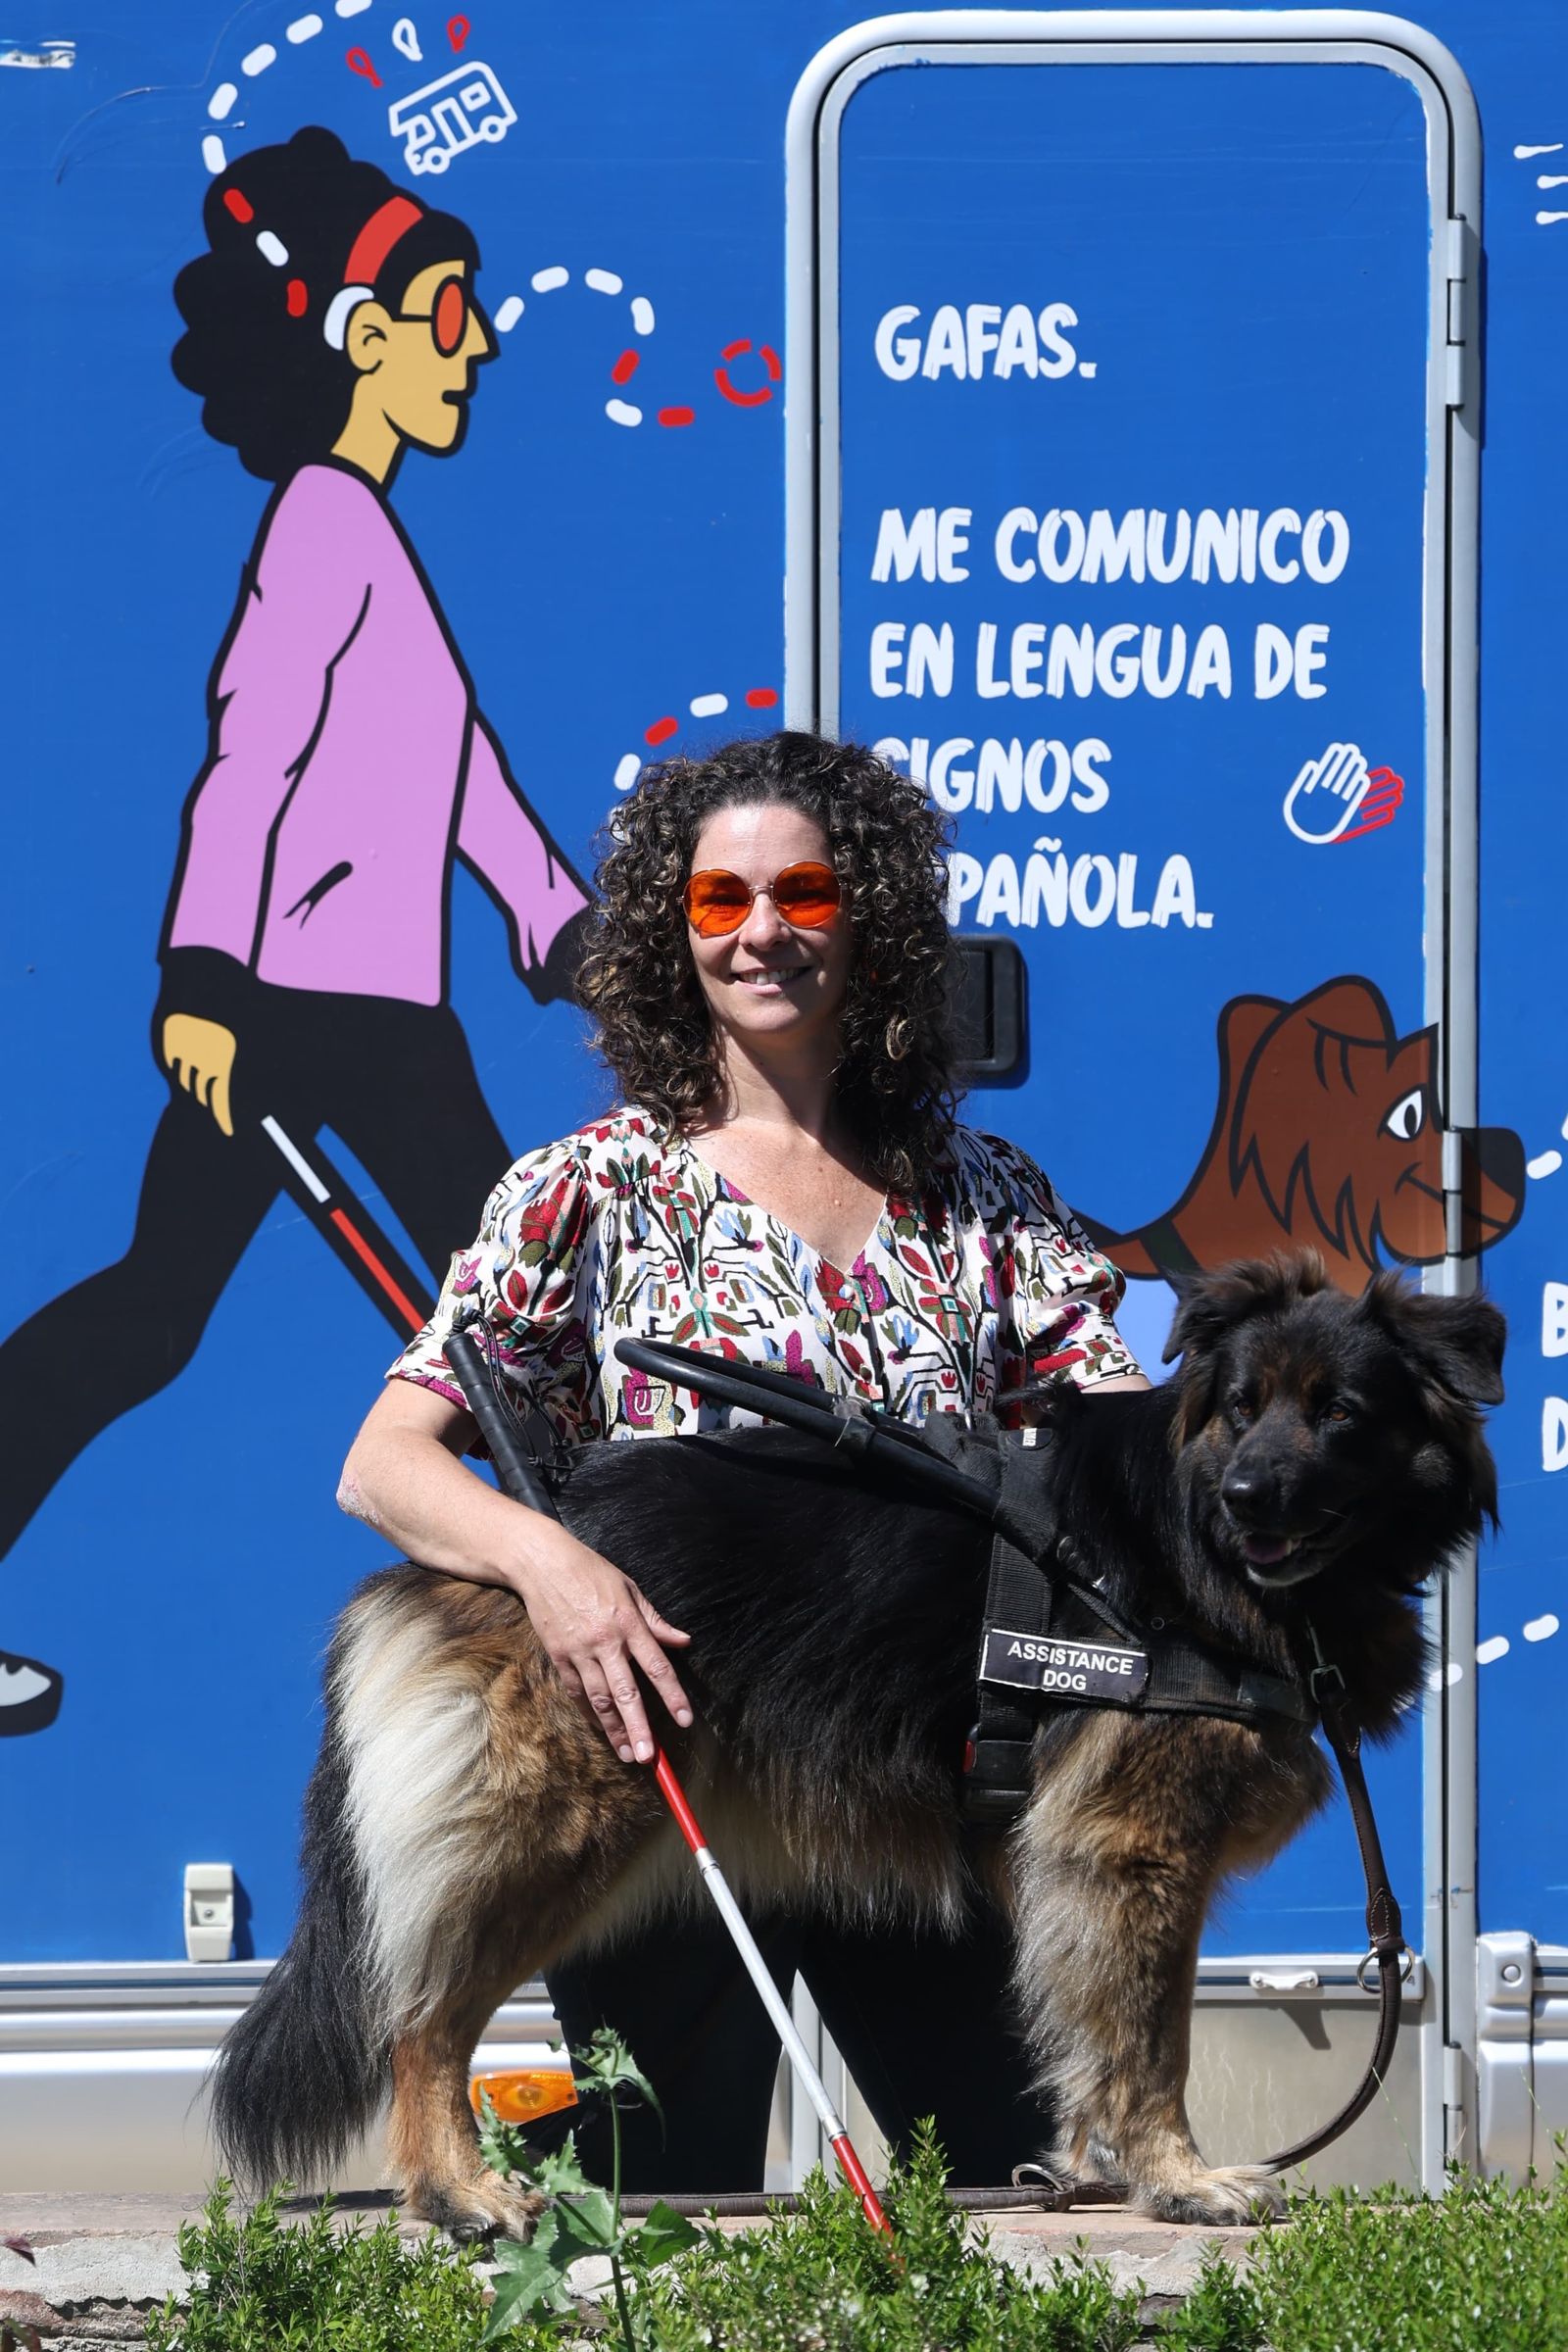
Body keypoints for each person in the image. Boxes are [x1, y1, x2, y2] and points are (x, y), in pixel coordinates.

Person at [339, 729, 1148, 2189]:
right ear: (674, 930)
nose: (764, 931)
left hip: (928, 1790)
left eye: (805, 892)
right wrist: (559, 1574)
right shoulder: (587, 1189)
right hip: (674, 1778)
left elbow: (1124, 1457)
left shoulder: (990, 1195)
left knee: (997, 2202)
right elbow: (388, 1465)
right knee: (661, 2202)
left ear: (875, 921)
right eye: (722, 901)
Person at [0, 127, 587, 1732]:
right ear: (365, 342)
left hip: (380, 1014)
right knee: (490, 1322)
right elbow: (247, 763)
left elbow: (467, 787)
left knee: (472, 1320)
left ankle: (602, 1605)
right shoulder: (326, 531)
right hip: (306, 1012)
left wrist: (576, 947)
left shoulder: (377, 546)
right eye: (451, 314)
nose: (477, 347)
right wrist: (199, 982)